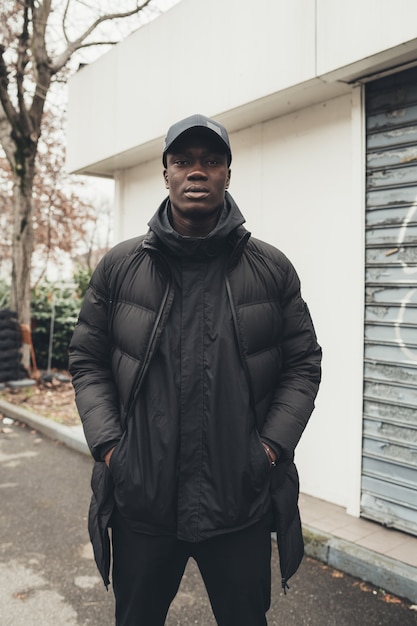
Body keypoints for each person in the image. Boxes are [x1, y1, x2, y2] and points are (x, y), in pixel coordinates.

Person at [69, 113, 322, 626]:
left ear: (228, 173)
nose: (197, 172)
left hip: (238, 503)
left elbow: (303, 363)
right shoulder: (120, 268)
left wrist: (269, 449)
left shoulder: (271, 269)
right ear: (165, 174)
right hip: (143, 503)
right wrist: (113, 449)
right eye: (183, 161)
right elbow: (87, 359)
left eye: (211, 161)